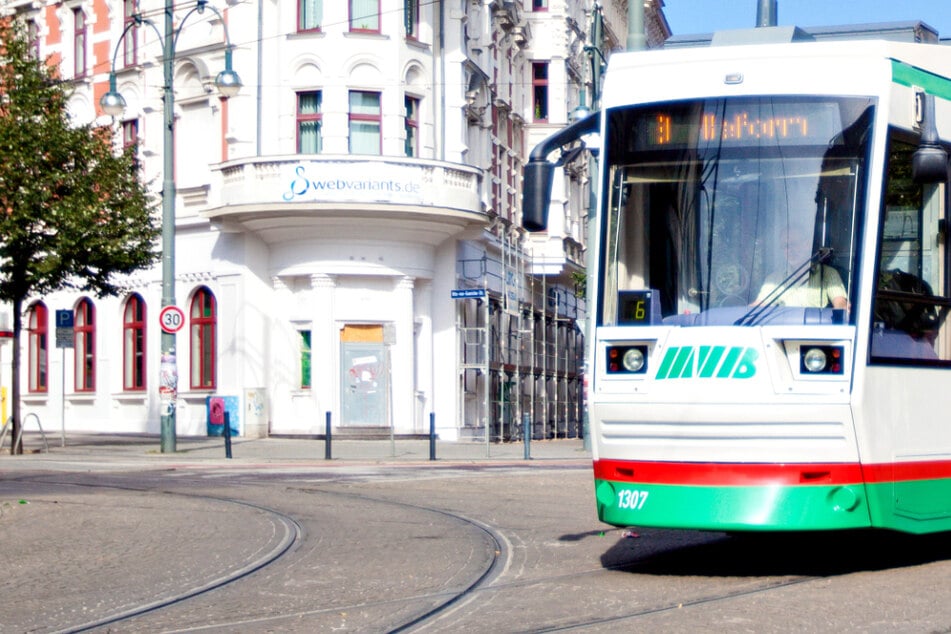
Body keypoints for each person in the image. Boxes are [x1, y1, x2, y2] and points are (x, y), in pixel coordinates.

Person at [754, 233, 848, 310]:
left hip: (816, 330)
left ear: (807, 245)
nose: (789, 250)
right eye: (785, 246)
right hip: (784, 330)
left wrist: (841, 311)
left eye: (794, 244)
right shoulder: (774, 278)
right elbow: (759, 305)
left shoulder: (828, 273)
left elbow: (840, 302)